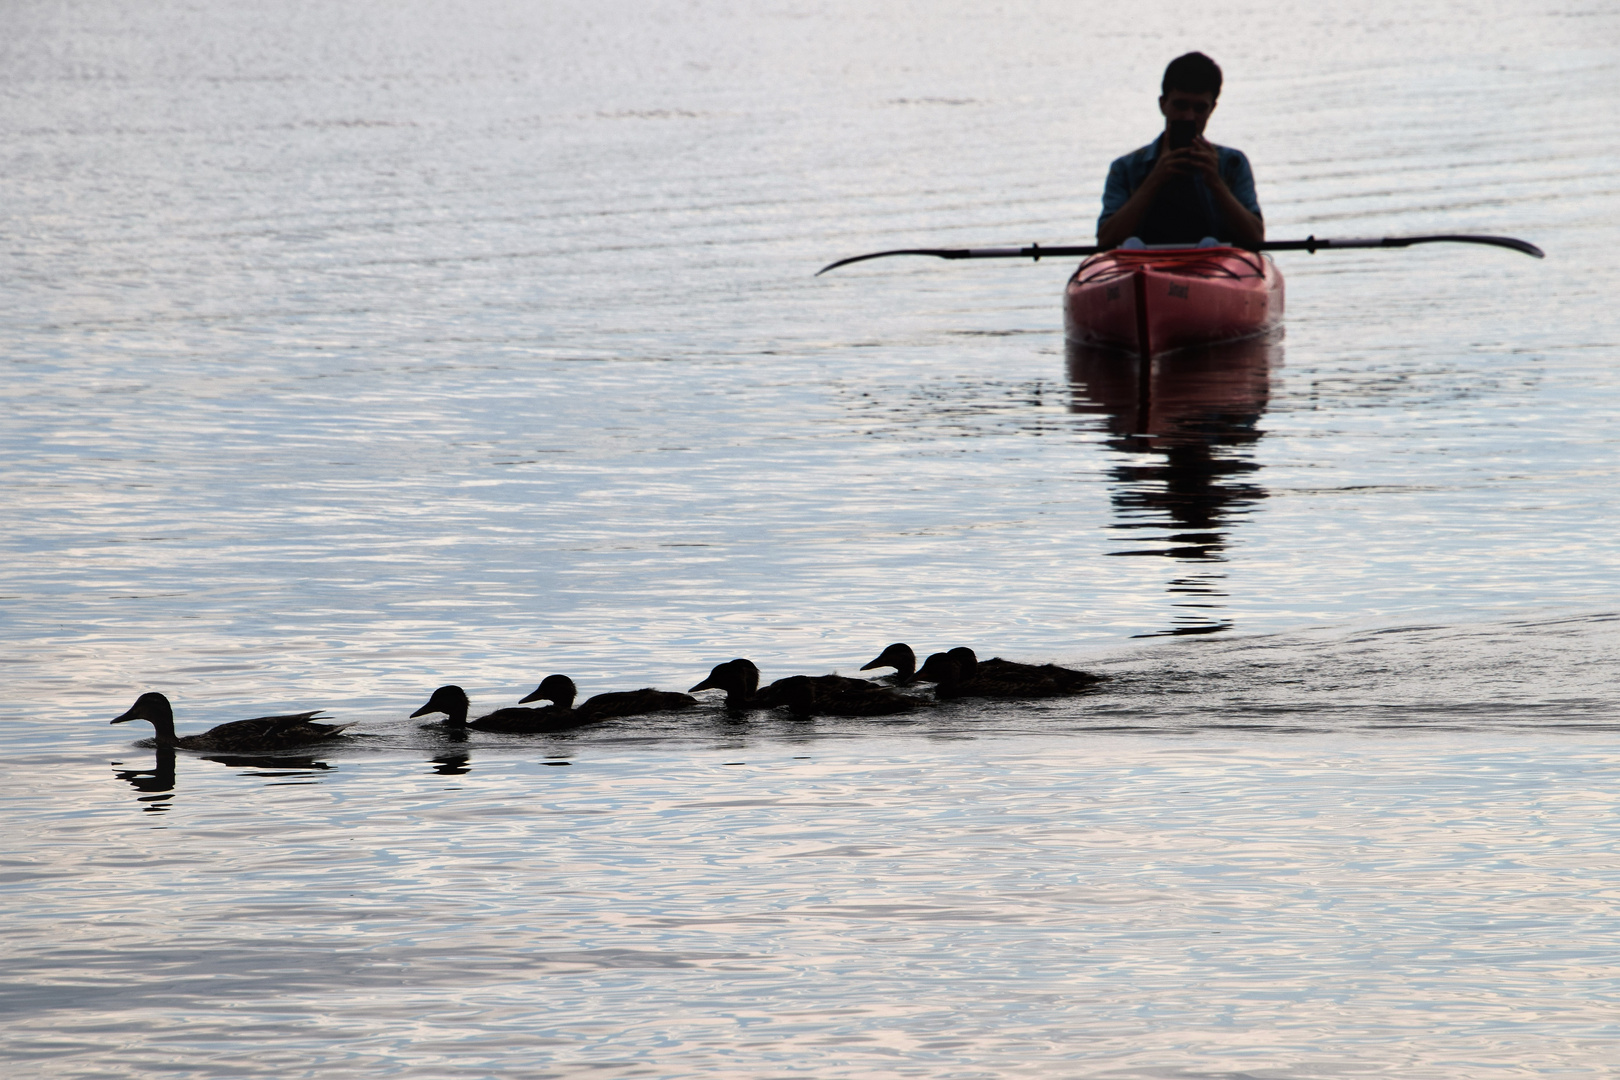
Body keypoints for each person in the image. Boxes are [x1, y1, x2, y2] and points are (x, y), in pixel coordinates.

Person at [1096, 52, 1264, 250]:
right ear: (1163, 104)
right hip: (1140, 266)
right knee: (1133, 246)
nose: (1188, 117)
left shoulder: (1232, 164)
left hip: (1215, 268)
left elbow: (1256, 238)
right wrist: (1156, 177)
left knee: (1210, 245)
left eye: (1199, 108)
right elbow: (1105, 241)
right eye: (1180, 105)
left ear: (1211, 110)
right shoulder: (1125, 168)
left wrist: (1216, 183)